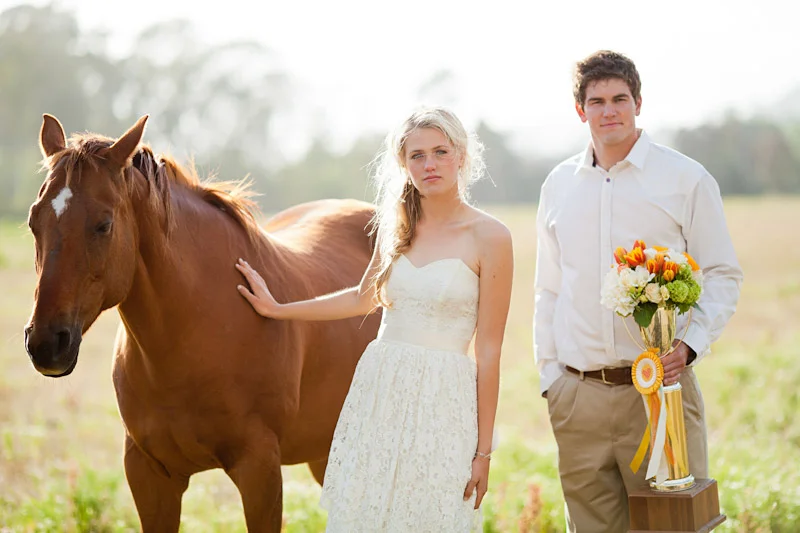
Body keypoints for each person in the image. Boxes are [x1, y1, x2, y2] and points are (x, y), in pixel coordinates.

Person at [235, 106, 513, 532]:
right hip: (381, 391)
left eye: (440, 152)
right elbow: (362, 298)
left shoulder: (491, 237)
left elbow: (490, 351)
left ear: (461, 155)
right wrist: (279, 309)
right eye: (417, 155)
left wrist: (483, 452)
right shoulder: (395, 227)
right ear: (404, 163)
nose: (429, 164)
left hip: (444, 401)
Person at [534, 50, 743, 532]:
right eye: (597, 101)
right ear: (580, 110)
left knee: (672, 526)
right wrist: (551, 378)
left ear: (639, 103)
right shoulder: (558, 185)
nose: (609, 111)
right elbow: (548, 288)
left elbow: (722, 273)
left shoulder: (685, 179)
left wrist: (690, 346)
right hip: (578, 398)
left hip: (661, 398)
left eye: (619, 99)